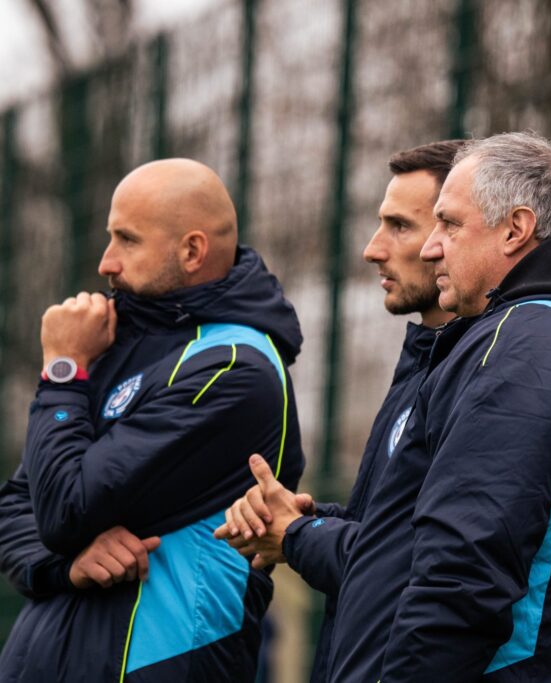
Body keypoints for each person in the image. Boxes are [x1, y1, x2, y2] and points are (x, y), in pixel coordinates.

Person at [325, 132, 551, 681]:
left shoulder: (526, 341)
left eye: (449, 224)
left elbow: (463, 571)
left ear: (516, 229)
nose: (432, 247)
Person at [0, 159, 305, 682]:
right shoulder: (114, 343)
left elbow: (64, 507)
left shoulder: (232, 367)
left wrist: (62, 369)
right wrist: (66, 565)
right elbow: (12, 508)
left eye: (127, 240)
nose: (106, 263)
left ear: (192, 251)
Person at [213, 140, 463, 682]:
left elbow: (415, 565)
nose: (373, 249)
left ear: (455, 235)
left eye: (400, 226)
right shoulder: (424, 362)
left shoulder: (479, 378)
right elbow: (388, 533)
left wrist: (297, 535)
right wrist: (302, 517)